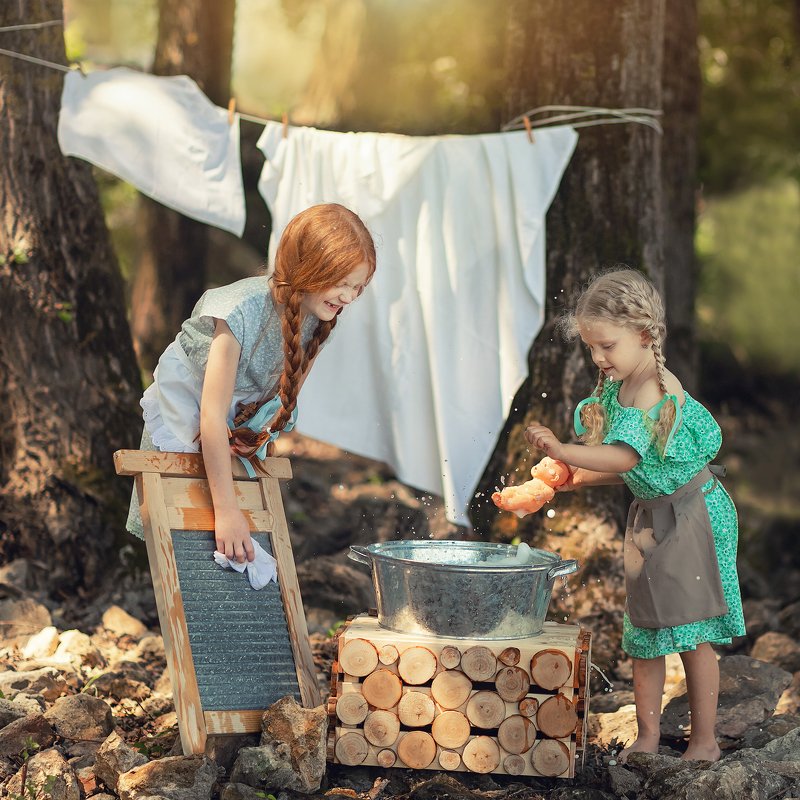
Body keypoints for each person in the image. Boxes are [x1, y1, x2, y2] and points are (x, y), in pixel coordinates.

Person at [524, 268, 745, 763]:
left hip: (692, 515)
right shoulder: (617, 384)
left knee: (691, 632)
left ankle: (704, 740)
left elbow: (624, 458)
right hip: (652, 517)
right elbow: (627, 468)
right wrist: (570, 475)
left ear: (645, 335)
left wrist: (563, 447)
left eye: (607, 346)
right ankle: (647, 737)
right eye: (592, 348)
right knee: (645, 632)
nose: (599, 358)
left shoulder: (652, 388)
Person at [127, 203, 376, 564]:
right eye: (341, 283)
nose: (349, 297)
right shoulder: (240, 310)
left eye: (358, 287)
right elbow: (210, 416)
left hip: (240, 425)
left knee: (234, 552)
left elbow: (279, 403)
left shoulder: (318, 323)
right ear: (308, 268)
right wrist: (227, 512)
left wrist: (254, 438)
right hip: (193, 412)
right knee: (187, 526)